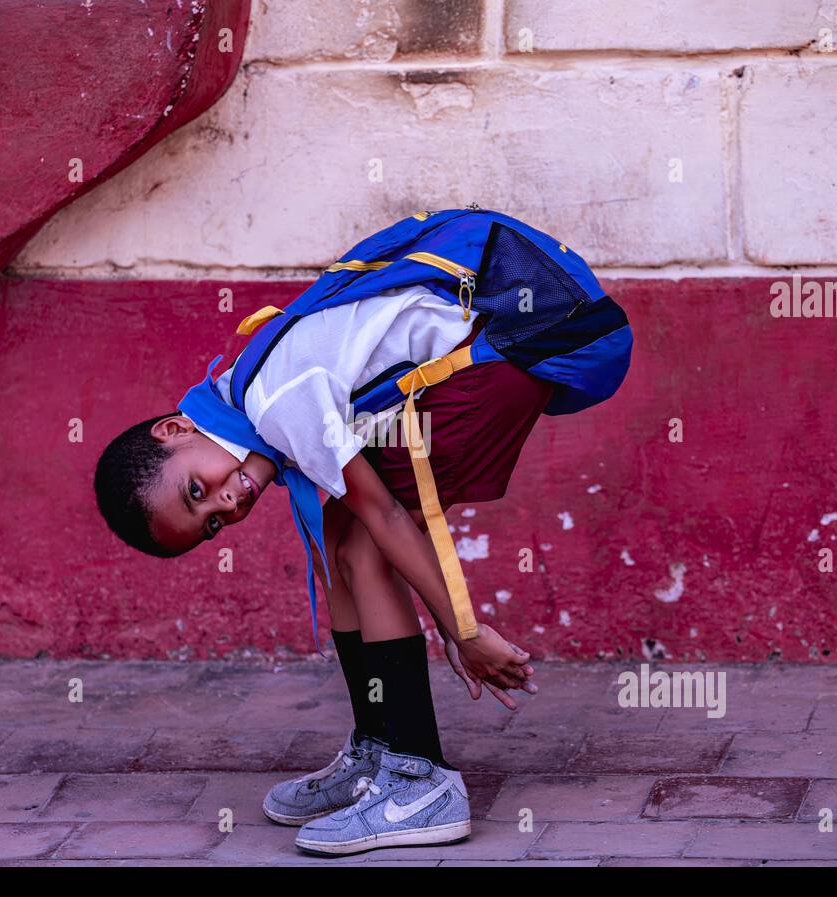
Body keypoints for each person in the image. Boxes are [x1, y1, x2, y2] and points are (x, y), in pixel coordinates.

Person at [94, 208, 631, 854]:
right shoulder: (251, 391)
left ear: (174, 430)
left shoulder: (272, 398)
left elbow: (387, 516)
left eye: (197, 488)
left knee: (365, 543)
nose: (228, 503)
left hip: (524, 335)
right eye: (211, 523)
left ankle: (420, 780)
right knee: (336, 530)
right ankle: (378, 749)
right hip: (527, 325)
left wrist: (464, 632)